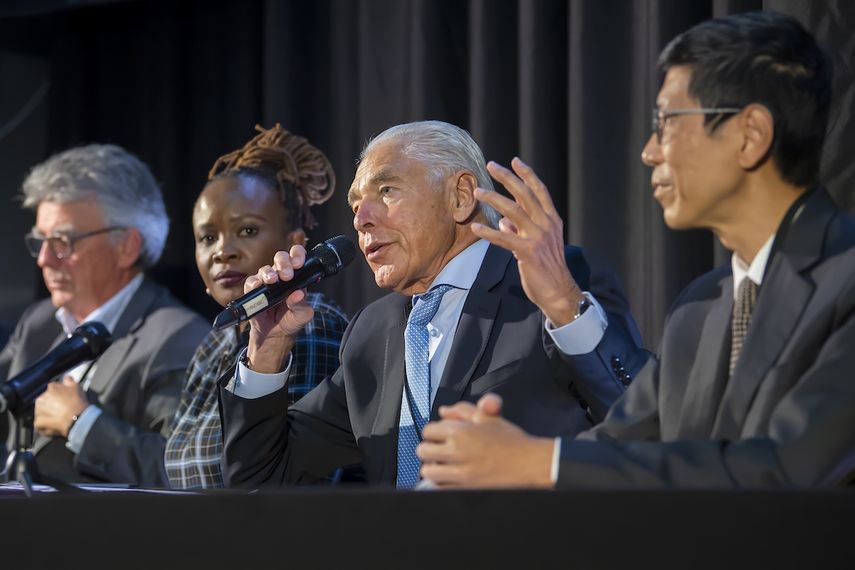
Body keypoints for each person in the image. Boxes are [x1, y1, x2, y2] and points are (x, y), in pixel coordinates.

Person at [415, 11, 855, 489]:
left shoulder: (845, 281)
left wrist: (542, 463)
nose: (649, 151)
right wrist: (482, 463)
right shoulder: (700, 306)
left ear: (750, 135)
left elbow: (787, 469)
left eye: (666, 122)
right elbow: (623, 449)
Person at [218, 120, 649, 489]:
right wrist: (267, 349)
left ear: (461, 197)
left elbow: (645, 424)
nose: (361, 217)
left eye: (386, 190)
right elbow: (258, 479)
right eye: (354, 204)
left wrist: (565, 303)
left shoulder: (550, 282)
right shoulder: (372, 333)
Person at [0, 144, 209, 487]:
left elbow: (185, 470)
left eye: (63, 241)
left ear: (127, 246)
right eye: (40, 241)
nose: (45, 260)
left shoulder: (178, 338)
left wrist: (83, 423)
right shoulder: (38, 322)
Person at [164, 124, 349, 489]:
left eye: (247, 230)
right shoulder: (214, 342)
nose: (223, 251)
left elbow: (287, 481)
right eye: (207, 237)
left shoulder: (312, 325)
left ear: (293, 242)